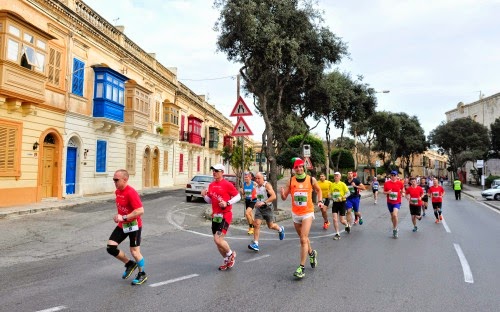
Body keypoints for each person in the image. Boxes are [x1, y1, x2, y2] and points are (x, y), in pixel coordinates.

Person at [280, 157, 324, 279]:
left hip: (307, 212)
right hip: (295, 213)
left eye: (300, 167)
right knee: (303, 238)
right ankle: (311, 253)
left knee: (303, 239)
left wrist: (320, 201)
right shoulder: (291, 181)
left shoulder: (311, 179)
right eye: (297, 167)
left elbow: (319, 190)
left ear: (303, 167)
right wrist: (282, 194)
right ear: (294, 169)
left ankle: (301, 267)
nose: (299, 169)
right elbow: (284, 197)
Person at [107, 169, 148, 285]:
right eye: (113, 179)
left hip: (134, 225)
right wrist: (118, 216)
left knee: (135, 252)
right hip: (123, 225)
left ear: (125, 180)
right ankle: (129, 264)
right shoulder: (117, 192)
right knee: (111, 247)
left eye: (116, 180)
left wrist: (124, 217)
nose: (114, 182)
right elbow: (122, 209)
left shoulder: (131, 192)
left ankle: (142, 274)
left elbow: (140, 210)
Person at [201, 164, 241, 270]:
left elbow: (238, 196)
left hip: (225, 215)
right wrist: (204, 196)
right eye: (213, 171)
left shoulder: (227, 184)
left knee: (218, 239)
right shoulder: (211, 185)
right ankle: (226, 260)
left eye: (217, 171)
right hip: (216, 216)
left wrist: (227, 203)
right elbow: (210, 201)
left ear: (222, 172)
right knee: (217, 242)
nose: (214, 172)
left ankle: (231, 254)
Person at [248, 172, 285, 251]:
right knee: (257, 224)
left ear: (263, 178)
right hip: (259, 208)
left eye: (259, 178)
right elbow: (256, 196)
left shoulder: (267, 185)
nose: (257, 180)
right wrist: (254, 201)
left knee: (270, 226)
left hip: (268, 208)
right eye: (256, 178)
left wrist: (264, 202)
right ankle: (256, 244)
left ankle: (280, 229)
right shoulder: (255, 186)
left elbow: (274, 196)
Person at [383, 170, 405, 238]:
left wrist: (403, 193)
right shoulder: (386, 183)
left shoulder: (400, 183)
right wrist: (388, 192)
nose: (393, 176)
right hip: (389, 202)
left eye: (394, 175)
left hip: (397, 202)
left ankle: (395, 229)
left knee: (395, 215)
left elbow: (403, 189)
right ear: (390, 176)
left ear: (396, 176)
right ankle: (394, 226)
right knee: (392, 216)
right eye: (391, 175)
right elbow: (383, 192)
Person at [330, 172, 350, 240]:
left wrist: (342, 197)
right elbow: (329, 194)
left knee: (342, 220)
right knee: (335, 219)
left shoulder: (343, 184)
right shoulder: (332, 185)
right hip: (335, 203)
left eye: (337, 176)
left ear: (340, 177)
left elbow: (348, 193)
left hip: (342, 203)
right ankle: (337, 233)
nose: (335, 177)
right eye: (335, 176)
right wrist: (331, 197)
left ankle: (347, 225)